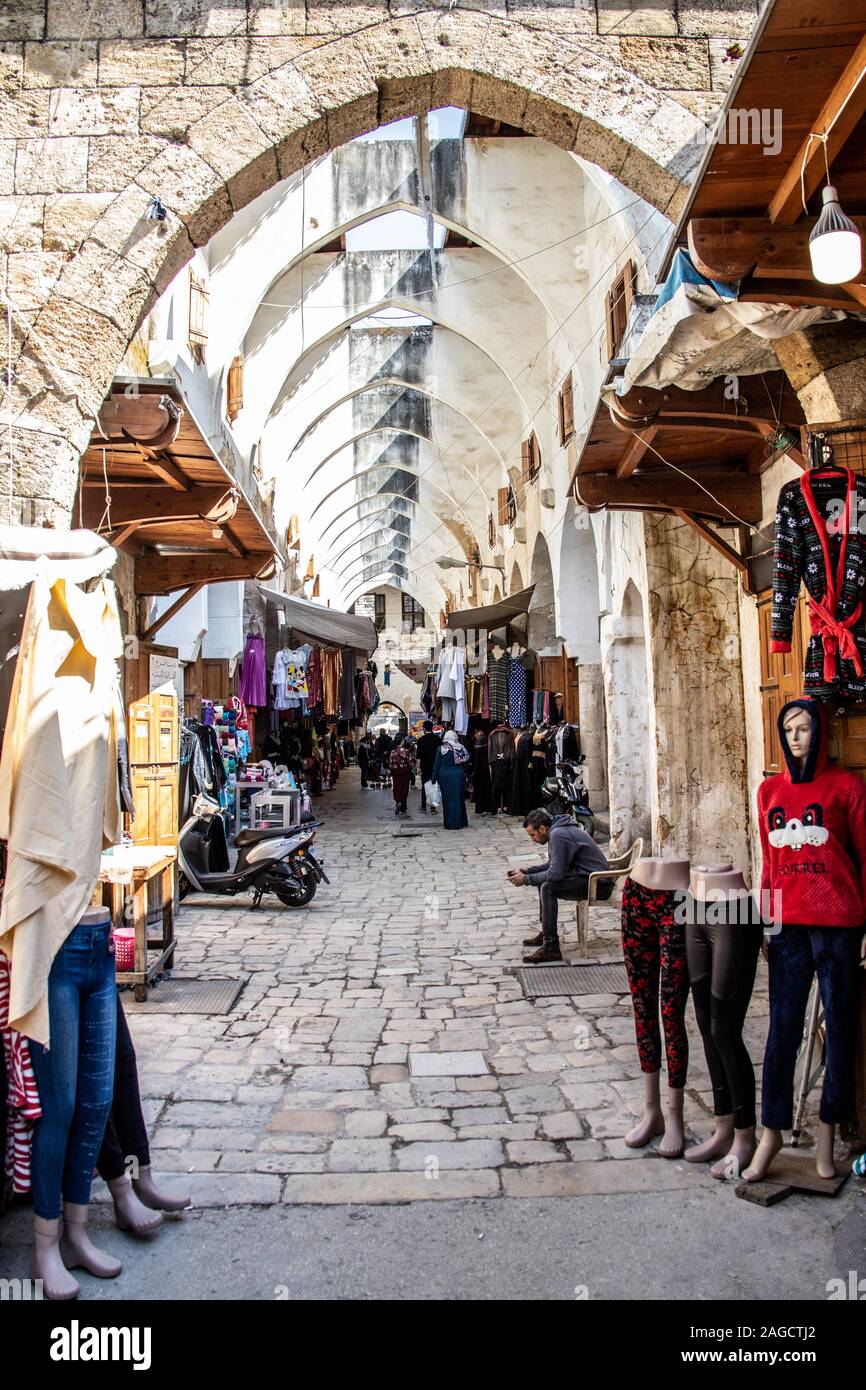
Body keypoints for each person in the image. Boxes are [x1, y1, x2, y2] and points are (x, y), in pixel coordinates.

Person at [509, 808, 613, 962]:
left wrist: (525, 879)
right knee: (543, 882)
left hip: (599, 885)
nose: (533, 840)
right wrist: (528, 871)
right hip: (587, 879)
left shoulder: (558, 834)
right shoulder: (557, 830)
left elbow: (555, 874)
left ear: (542, 829)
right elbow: (553, 865)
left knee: (548, 888)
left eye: (533, 835)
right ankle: (547, 933)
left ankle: (551, 947)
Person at [430, 729, 470, 830]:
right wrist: (463, 772)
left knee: (448, 799)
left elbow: (437, 765)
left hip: (445, 776)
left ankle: (450, 823)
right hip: (458, 775)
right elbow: (466, 762)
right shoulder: (460, 748)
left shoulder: (441, 749)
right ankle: (460, 822)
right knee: (458, 798)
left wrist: (434, 778)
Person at [417, 720, 441, 813]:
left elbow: (419, 756)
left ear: (424, 729)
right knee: (434, 785)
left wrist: (418, 768)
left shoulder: (421, 740)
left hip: (425, 766)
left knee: (425, 785)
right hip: (435, 766)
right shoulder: (438, 739)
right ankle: (433, 808)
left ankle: (423, 807)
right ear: (432, 728)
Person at [390, 736, 415, 816]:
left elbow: (390, 763)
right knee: (404, 788)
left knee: (397, 787)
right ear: (401, 741)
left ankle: (398, 801)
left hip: (396, 772)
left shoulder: (393, 751)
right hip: (405, 772)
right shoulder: (406, 751)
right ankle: (403, 807)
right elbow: (410, 763)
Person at [472, 728, 493, 815]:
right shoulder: (486, 739)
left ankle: (481, 808)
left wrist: (475, 770)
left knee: (480, 789)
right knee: (487, 788)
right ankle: (488, 807)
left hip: (480, 768)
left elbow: (477, 757)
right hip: (486, 767)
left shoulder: (479, 741)